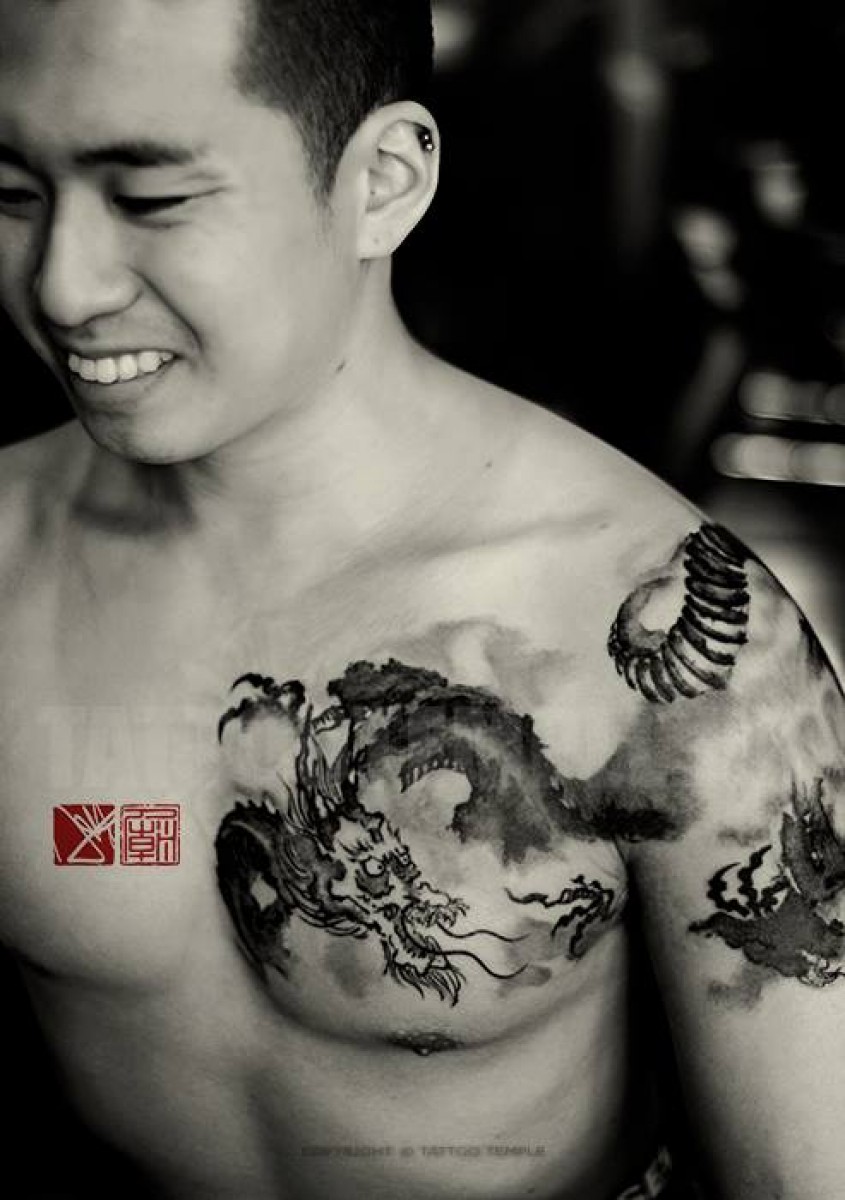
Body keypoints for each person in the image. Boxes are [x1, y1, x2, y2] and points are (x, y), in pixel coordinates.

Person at [0, 2, 842, 1198]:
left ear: (382, 181)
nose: (62, 285)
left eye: (153, 199)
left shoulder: (644, 627)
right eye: (11, 192)